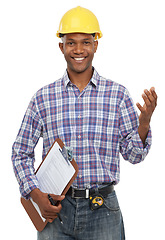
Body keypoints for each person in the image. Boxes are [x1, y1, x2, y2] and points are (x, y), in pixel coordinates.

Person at [12, 6, 157, 240]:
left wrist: (144, 123)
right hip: (55, 209)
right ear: (61, 47)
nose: (79, 50)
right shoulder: (42, 98)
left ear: (95, 45)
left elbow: (134, 155)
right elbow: (20, 152)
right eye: (71, 43)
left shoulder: (117, 95)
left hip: (103, 210)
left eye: (86, 42)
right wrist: (35, 194)